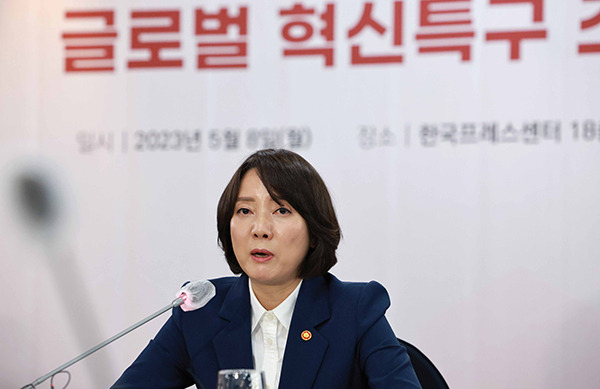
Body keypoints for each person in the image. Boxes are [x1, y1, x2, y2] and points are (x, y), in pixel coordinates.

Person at [112, 149, 421, 389]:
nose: (259, 228)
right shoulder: (200, 311)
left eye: (281, 210)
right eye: (244, 210)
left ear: (313, 231)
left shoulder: (354, 310)